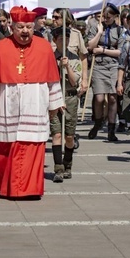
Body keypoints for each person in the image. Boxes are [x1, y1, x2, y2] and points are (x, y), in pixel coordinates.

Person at [0, 6, 63, 199]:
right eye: (20, 27)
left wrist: (54, 103)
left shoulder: (43, 47)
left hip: (35, 103)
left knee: (31, 147)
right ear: (12, 27)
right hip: (6, 105)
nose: (25, 31)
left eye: (28, 26)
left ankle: (27, 190)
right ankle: (5, 186)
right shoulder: (0, 48)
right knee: (4, 147)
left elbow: (52, 78)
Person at [86, 3, 123, 141]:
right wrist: (100, 33)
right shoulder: (95, 27)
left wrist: (102, 50)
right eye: (104, 17)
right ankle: (98, 122)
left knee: (113, 98)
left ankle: (111, 130)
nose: (105, 19)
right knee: (99, 97)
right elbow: (90, 46)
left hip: (113, 65)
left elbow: (120, 52)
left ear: (114, 17)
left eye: (109, 17)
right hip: (98, 65)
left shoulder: (119, 31)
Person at [50, 27, 81, 182]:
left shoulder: (74, 57)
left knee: (69, 136)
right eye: (61, 38)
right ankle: (58, 168)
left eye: (67, 38)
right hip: (54, 98)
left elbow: (75, 82)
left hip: (70, 98)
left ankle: (68, 165)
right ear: (55, 40)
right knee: (56, 134)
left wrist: (67, 66)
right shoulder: (49, 57)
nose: (65, 41)